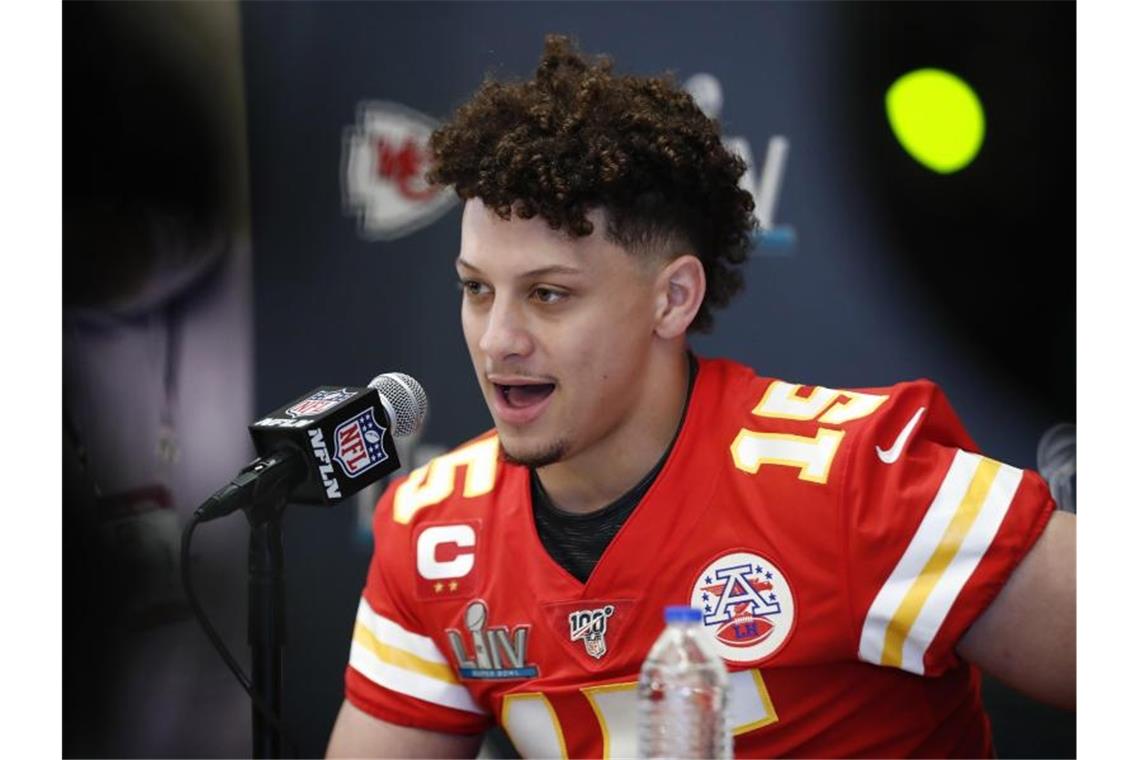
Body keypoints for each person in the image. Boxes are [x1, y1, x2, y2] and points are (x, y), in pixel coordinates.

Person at [326, 35, 1074, 758]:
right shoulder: (434, 531)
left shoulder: (854, 480)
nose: (497, 340)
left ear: (674, 298)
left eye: (549, 295)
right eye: (477, 290)